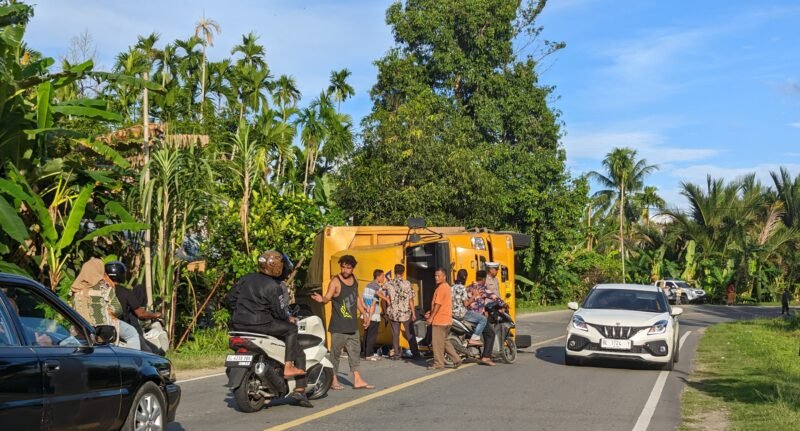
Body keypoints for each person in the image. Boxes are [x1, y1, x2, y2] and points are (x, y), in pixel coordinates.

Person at [229, 250, 312, 407]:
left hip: (239, 324)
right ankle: (290, 369)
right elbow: (280, 312)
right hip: (262, 325)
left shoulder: (245, 279)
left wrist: (242, 312)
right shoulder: (275, 287)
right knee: (291, 329)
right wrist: (289, 319)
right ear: (277, 267)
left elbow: (230, 299)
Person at [311, 255, 374, 390]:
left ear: (352, 268)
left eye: (348, 268)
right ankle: (333, 380)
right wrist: (321, 299)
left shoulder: (355, 279)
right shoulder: (335, 282)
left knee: (355, 352)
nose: (345, 270)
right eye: (343, 267)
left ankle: (357, 380)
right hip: (339, 326)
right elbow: (327, 298)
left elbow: (356, 298)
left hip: (352, 325)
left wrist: (364, 313)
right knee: (335, 354)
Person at [71, 258, 140, 350]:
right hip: (101, 328)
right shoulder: (104, 288)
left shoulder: (76, 289)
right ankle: (133, 361)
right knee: (132, 333)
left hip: (80, 328)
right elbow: (117, 309)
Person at [105, 261, 163, 354]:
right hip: (121, 328)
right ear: (121, 274)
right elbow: (141, 314)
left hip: (104, 328)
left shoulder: (101, 291)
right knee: (153, 352)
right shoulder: (126, 292)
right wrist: (156, 314)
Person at [377, 264, 421, 361]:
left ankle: (397, 354)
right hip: (405, 312)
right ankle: (415, 353)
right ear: (403, 272)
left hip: (393, 313)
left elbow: (378, 291)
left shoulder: (389, 283)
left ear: (395, 271)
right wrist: (413, 313)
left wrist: (387, 299)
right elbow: (411, 299)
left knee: (395, 334)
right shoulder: (407, 284)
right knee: (410, 333)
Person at [426, 267, 462, 370]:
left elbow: (438, 304)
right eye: (435, 276)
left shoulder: (442, 287)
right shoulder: (445, 287)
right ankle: (457, 359)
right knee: (444, 341)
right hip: (446, 319)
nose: (436, 278)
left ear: (444, 276)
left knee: (437, 343)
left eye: (438, 276)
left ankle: (438, 363)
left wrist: (431, 318)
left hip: (440, 320)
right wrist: (430, 312)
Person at [467, 270, 501, 366]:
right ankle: (486, 357)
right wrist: (504, 304)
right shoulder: (483, 289)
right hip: (477, 317)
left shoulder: (469, 287)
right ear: (484, 279)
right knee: (491, 334)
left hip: (468, 316)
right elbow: (495, 297)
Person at [451, 269, 487, 347]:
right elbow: (466, 304)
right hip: (462, 314)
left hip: (452, 314)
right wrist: (474, 295)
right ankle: (474, 338)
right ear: (465, 277)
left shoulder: (452, 287)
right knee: (483, 319)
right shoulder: (462, 288)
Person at [361, 269, 384, 360]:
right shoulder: (377, 287)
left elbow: (363, 299)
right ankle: (369, 354)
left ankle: (366, 352)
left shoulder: (368, 286)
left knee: (367, 332)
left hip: (366, 312)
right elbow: (374, 303)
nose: (383, 278)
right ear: (377, 277)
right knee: (372, 334)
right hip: (373, 314)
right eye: (382, 276)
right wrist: (387, 299)